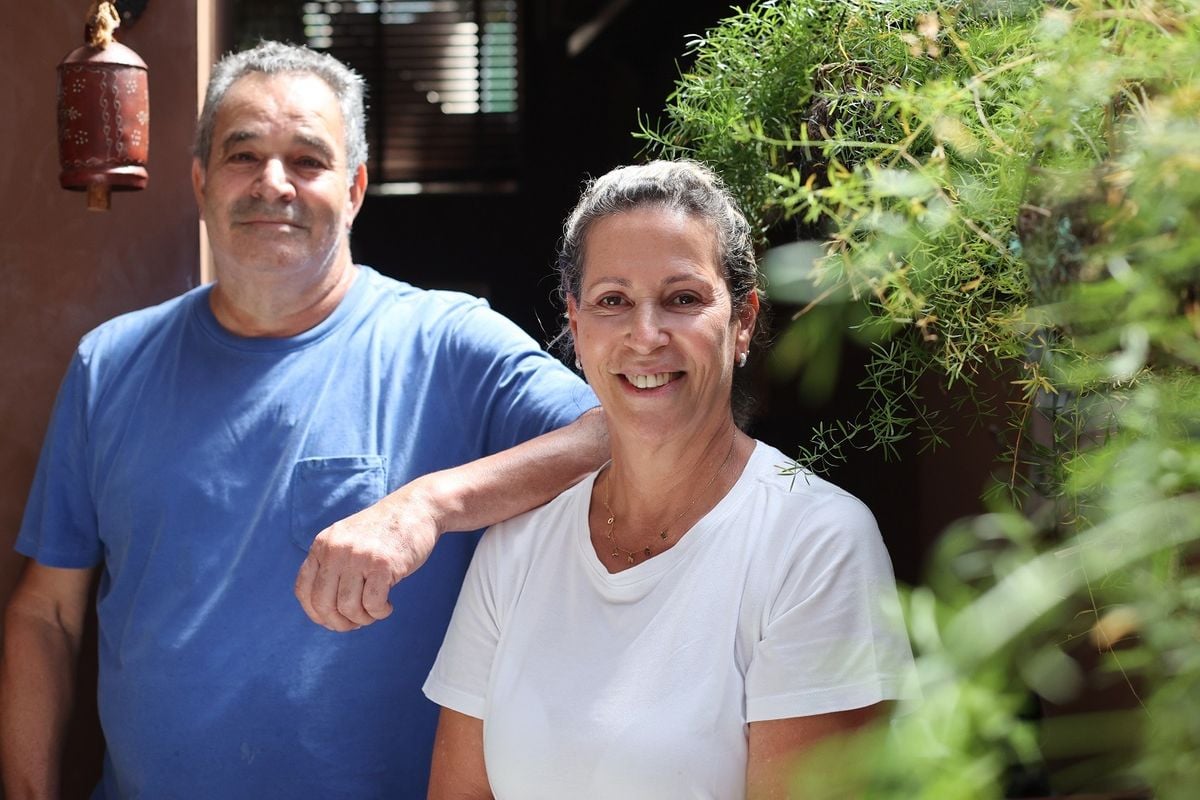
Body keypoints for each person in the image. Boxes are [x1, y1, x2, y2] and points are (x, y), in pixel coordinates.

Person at [0, 42, 607, 799]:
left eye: (308, 160)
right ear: (199, 182)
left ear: (354, 188)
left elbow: (613, 437)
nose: (272, 183)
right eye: (243, 153)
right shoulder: (110, 365)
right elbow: (47, 616)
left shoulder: (446, 341)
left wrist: (424, 505)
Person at [423, 160, 915, 799]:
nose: (645, 334)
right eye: (612, 302)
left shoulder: (816, 540)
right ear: (575, 329)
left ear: (741, 322)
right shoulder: (515, 549)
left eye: (683, 299)